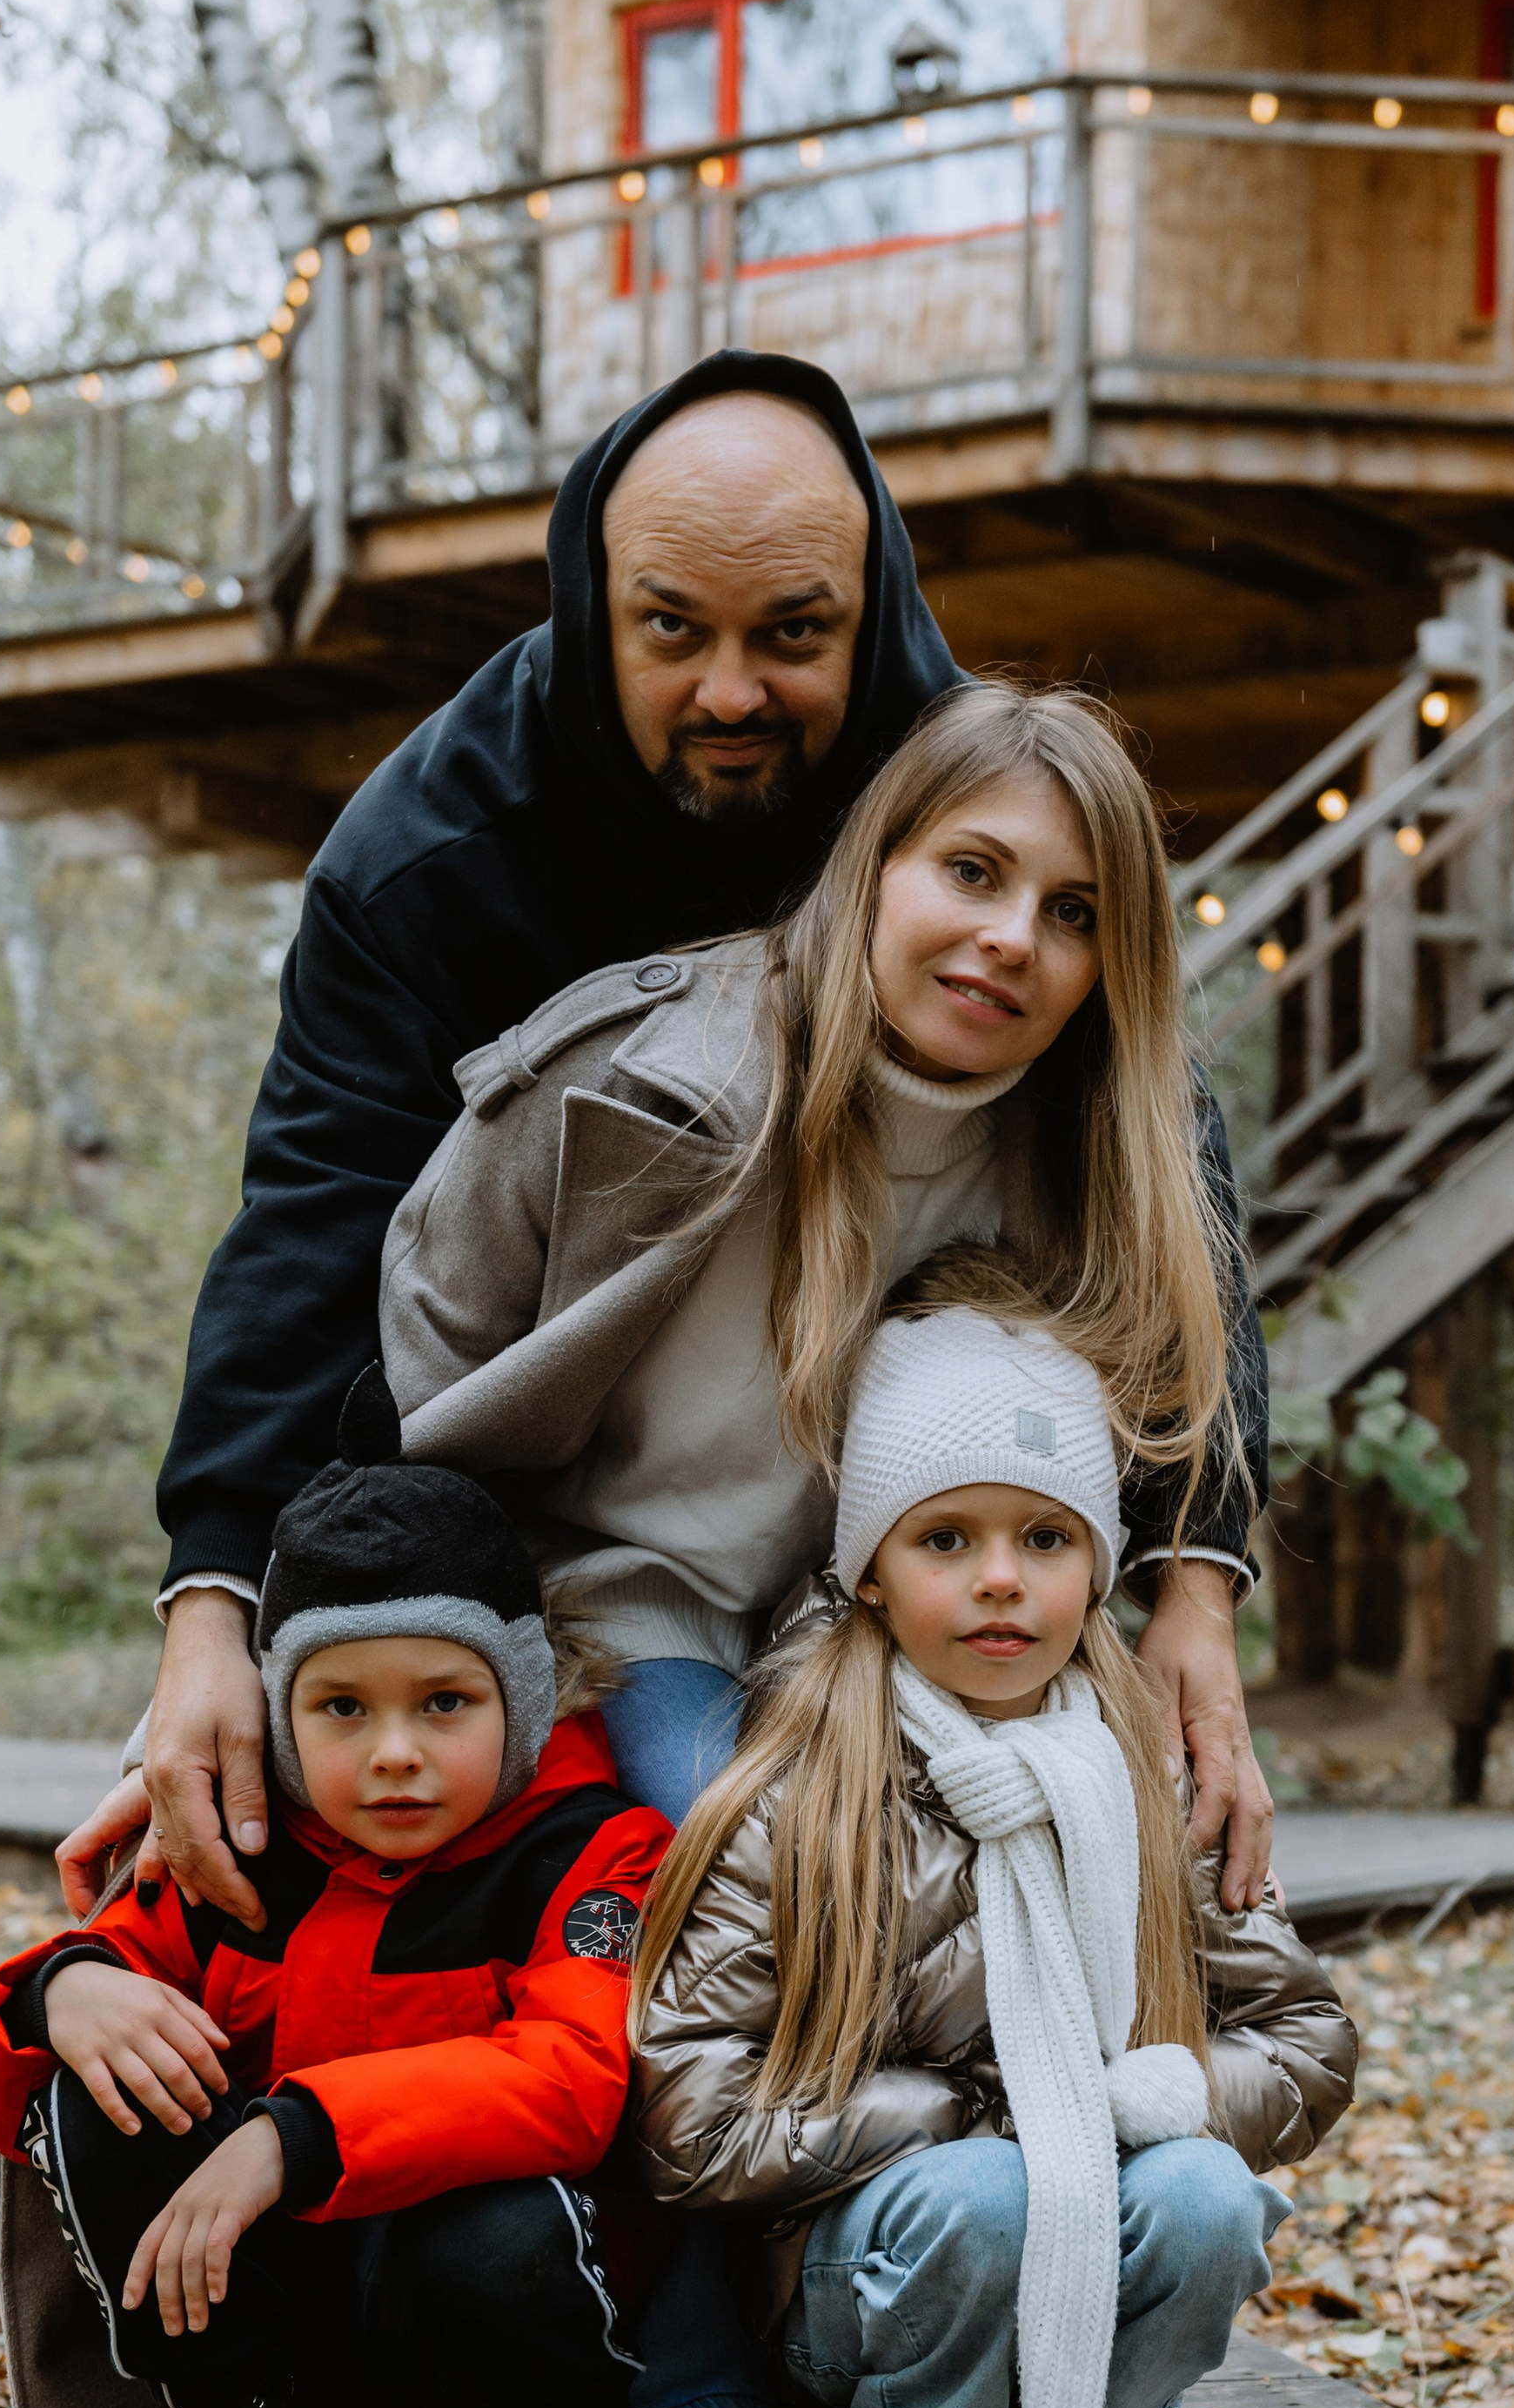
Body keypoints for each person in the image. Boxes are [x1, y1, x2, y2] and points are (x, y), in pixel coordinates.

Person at [57, 351, 1272, 1945]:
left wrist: (1196, 1581)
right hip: (573, 1532)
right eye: (670, 628)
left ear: (873, 611)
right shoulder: (426, 858)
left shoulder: (960, 814)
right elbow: (313, 1219)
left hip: (882, 1533)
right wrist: (219, 1608)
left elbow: (1164, 1172)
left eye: (794, 634)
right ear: (589, 601)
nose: (729, 691)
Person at [380, 679, 1269, 1847]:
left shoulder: (1104, 1144)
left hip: (920, 1619)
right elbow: (426, 1351)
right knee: (772, 1862)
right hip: (646, 1607)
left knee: (1088, 1847)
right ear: (875, 864)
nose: (1012, 936)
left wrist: (1197, 1599)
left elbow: (1196, 1374)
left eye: (1075, 914)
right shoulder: (631, 1075)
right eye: (971, 871)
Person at [628, 1270, 1357, 2408]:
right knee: (988, 2195)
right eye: (947, 1541)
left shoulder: (1145, 1779)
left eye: (1048, 1538)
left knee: (1203, 2191)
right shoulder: (800, 1796)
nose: (1004, 1580)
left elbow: (1306, 2040)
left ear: (1096, 1563)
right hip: (877, 2273)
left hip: (1099, 2230)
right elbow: (690, 2112)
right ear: (871, 1572)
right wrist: (973, 2116)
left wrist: (1157, 2103)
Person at [0, 1372, 733, 2408]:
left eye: (445, 1702)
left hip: (487, 2319)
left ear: (521, 1700)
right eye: (341, 1707)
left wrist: (297, 2135)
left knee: (504, 2213)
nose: (396, 1752)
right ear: (278, 1716)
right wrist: (62, 1993)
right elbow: (0, 2100)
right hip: (277, 2325)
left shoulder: (590, 1849)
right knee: (89, 2095)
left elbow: (576, 2082)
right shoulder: (237, 1852)